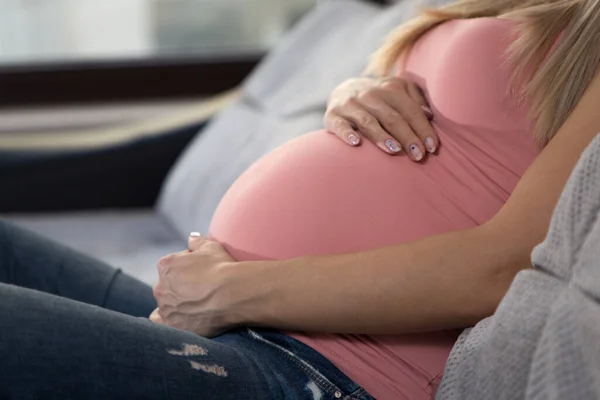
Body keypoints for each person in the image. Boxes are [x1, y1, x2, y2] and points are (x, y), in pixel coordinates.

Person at [2, 0, 600, 399]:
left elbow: (512, 264)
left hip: (320, 368)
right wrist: (355, 91)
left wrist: (226, 292)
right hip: (246, 320)